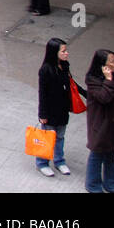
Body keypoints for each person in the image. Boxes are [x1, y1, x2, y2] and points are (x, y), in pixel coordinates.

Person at [84, 48, 114, 192]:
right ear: (103, 66)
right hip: (101, 125)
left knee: (111, 157)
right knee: (97, 155)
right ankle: (93, 185)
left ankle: (111, 184)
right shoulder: (93, 80)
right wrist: (109, 80)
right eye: (113, 61)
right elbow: (104, 98)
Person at [35, 38, 81, 178]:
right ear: (55, 52)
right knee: (48, 138)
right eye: (63, 51)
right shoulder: (45, 70)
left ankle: (59, 160)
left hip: (63, 109)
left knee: (60, 136)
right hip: (50, 110)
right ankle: (42, 163)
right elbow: (42, 94)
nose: (66, 53)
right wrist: (42, 114)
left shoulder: (65, 66)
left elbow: (72, 84)